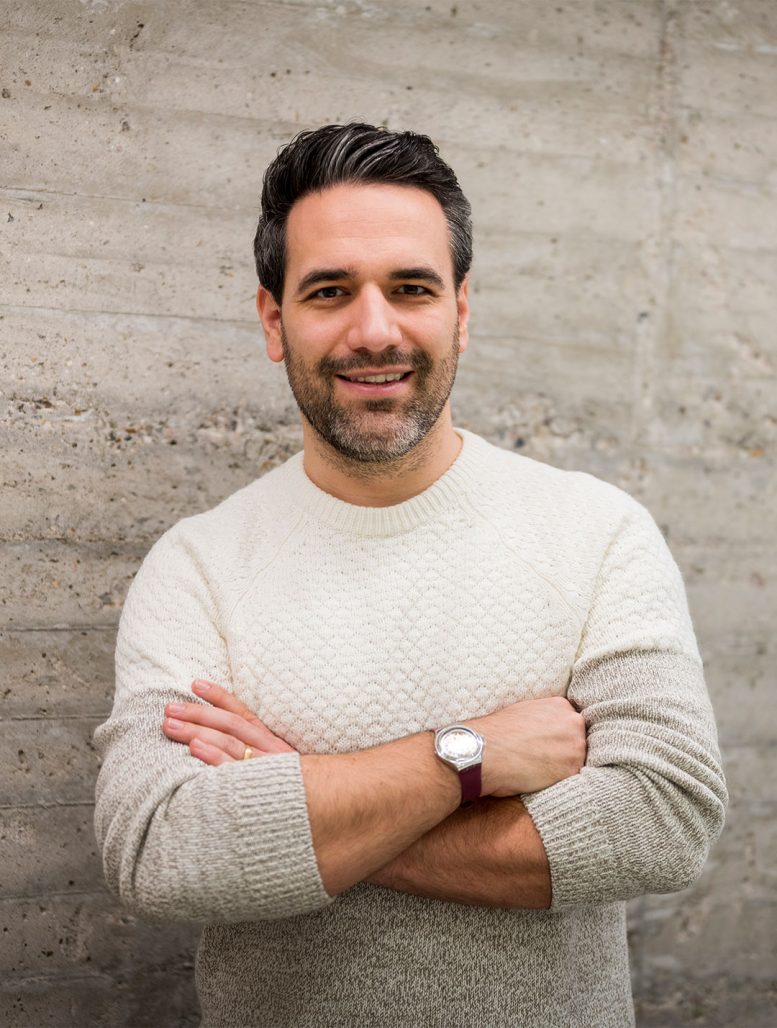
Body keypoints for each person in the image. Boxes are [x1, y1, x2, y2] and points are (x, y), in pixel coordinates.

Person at [93, 122, 727, 1028]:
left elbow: (662, 819)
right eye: (329, 291)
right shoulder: (198, 565)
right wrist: (464, 759)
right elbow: (157, 848)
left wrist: (305, 792)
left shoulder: (595, 531)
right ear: (275, 320)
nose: (374, 329)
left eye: (411, 287)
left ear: (459, 310)